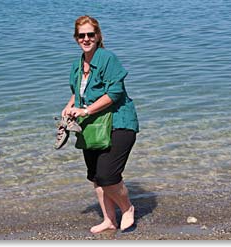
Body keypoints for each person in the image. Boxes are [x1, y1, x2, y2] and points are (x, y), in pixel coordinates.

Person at [61, 15, 139, 233]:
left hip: (118, 123)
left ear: (98, 36)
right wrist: (68, 109)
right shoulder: (77, 65)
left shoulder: (107, 58)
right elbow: (77, 94)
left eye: (90, 34)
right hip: (92, 127)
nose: (86, 39)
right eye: (81, 35)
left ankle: (128, 208)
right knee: (96, 177)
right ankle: (109, 220)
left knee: (107, 175)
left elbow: (114, 93)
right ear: (76, 38)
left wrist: (85, 110)